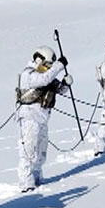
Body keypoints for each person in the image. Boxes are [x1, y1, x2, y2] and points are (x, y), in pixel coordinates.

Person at [16, 46, 72, 192]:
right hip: (29, 118)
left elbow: (60, 89)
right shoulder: (28, 74)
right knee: (28, 151)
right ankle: (26, 182)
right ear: (39, 60)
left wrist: (66, 83)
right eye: (47, 64)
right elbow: (44, 79)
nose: (49, 68)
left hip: (42, 119)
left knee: (41, 152)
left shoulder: (45, 75)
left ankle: (36, 178)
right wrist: (59, 66)